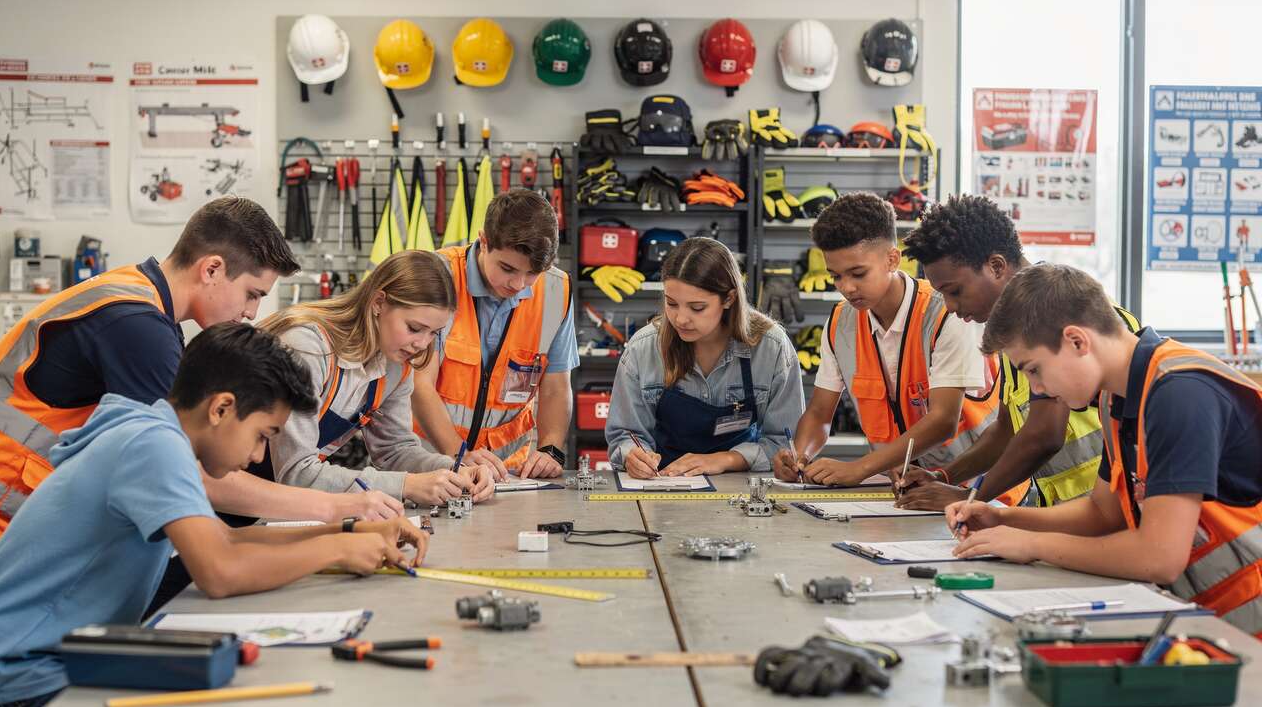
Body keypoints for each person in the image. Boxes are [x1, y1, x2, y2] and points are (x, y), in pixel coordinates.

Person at [0, 323, 431, 707]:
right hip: (19, 680)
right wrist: (340, 547)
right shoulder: (152, 446)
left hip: (44, 664)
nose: (258, 454)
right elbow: (220, 571)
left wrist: (349, 529)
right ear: (221, 408)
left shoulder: (153, 433)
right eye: (262, 436)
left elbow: (228, 541)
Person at [0, 197, 398, 570]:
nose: (253, 312)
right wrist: (337, 508)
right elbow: (188, 475)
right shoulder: (139, 329)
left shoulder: (142, 302)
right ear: (212, 268)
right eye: (252, 293)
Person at [951, 264, 1262, 636]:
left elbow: (1159, 558)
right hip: (1210, 619)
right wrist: (1005, 519)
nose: (1038, 388)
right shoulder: (1117, 399)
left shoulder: (1180, 395)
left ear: (1077, 341)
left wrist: (1032, 544)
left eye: (1034, 369)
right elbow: (1103, 512)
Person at [894, 194, 1139, 511]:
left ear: (995, 266)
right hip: (1076, 512)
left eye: (955, 292)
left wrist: (971, 497)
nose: (952, 308)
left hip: (1113, 506)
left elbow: (1044, 434)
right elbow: (1007, 430)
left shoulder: (1052, 309)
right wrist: (945, 475)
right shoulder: (1015, 328)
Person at [774, 192, 997, 486]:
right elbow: (819, 412)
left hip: (977, 489)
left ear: (893, 259)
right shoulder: (840, 323)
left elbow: (944, 420)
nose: (847, 287)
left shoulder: (948, 313)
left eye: (857, 273)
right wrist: (798, 456)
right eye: (836, 276)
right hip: (899, 494)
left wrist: (860, 468)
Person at [257, 250, 495, 507]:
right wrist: (407, 485)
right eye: (414, 328)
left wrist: (453, 471)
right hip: (229, 497)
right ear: (378, 302)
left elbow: (395, 451)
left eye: (434, 333)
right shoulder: (307, 349)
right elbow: (296, 473)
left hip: (274, 505)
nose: (422, 344)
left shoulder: (396, 366)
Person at [606, 237, 803, 477]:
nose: (680, 319)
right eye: (672, 304)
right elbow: (625, 435)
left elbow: (785, 443)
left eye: (697, 307)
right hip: (664, 484)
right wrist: (632, 456)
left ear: (729, 299)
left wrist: (726, 459)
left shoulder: (771, 348)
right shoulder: (643, 349)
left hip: (742, 490)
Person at [413, 190, 576, 479]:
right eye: (508, 268)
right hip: (427, 465)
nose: (519, 284)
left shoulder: (556, 290)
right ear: (483, 242)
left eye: (533, 273)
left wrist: (550, 449)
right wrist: (458, 456)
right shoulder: (438, 277)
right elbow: (419, 384)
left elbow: (555, 387)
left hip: (509, 474)